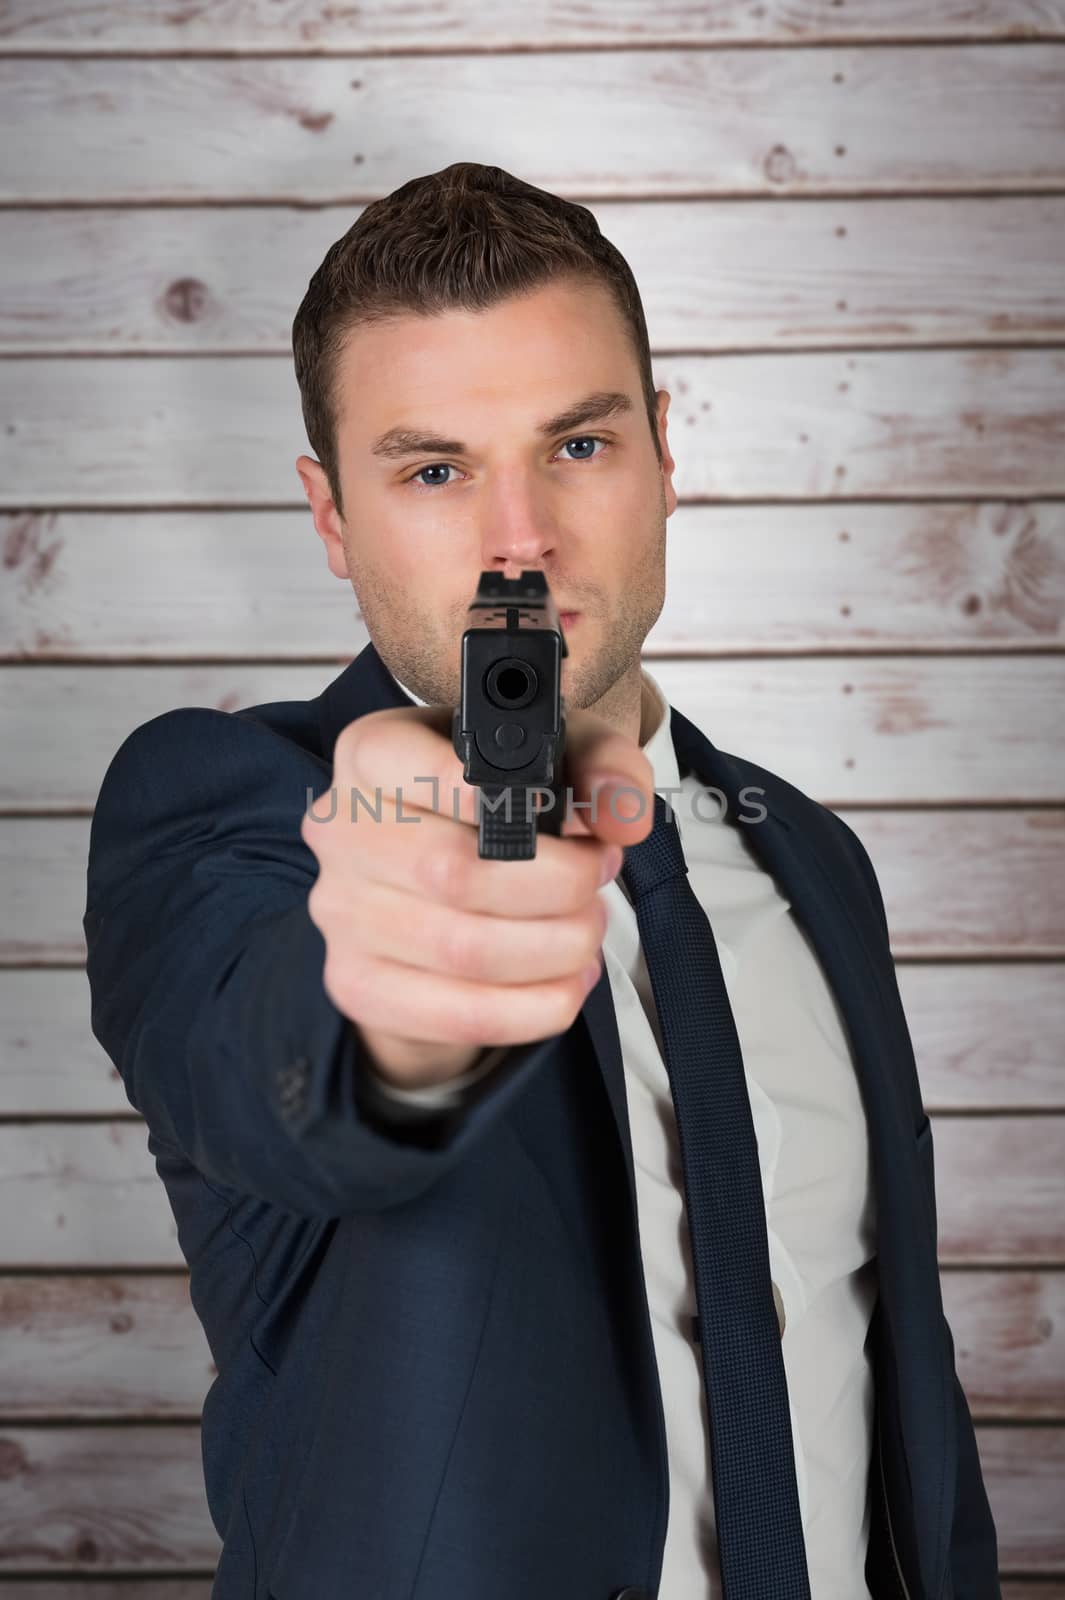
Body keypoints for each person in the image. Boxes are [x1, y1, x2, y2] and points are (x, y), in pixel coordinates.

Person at [83, 162, 1000, 1599]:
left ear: (662, 455)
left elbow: (890, 1370)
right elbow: (275, 1063)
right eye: (434, 469)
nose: (521, 537)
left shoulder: (811, 856)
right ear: (331, 517)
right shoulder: (235, 810)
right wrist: (398, 1029)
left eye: (577, 446)